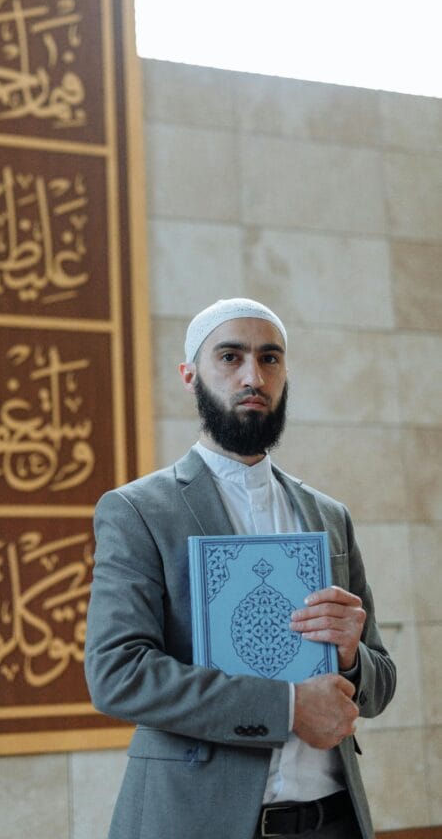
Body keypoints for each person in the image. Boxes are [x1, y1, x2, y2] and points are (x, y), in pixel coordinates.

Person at [85, 298, 396, 839]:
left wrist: (350, 656)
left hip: (334, 820)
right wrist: (287, 705)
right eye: (230, 357)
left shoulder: (328, 516)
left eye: (269, 359)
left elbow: (381, 682)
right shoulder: (139, 511)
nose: (253, 376)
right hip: (200, 819)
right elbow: (118, 674)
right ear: (190, 376)